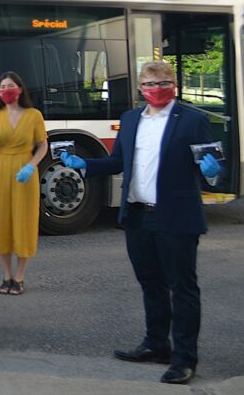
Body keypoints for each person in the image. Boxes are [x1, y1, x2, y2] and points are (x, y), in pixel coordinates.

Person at [61, 61, 219, 385]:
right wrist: (85, 164)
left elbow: (213, 167)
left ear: (174, 85)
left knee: (182, 288)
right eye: (149, 84)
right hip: (136, 215)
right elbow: (118, 161)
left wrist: (213, 171)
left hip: (176, 216)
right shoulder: (131, 119)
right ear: (140, 88)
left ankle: (184, 359)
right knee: (151, 283)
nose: (156, 89)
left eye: (162, 83)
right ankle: (156, 344)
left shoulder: (193, 120)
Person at [0, 71, 47, 296]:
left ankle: (20, 276)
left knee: (24, 220)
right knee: (2, 221)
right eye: (2, 87)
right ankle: (7, 275)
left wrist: (32, 166)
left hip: (24, 170)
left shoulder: (34, 115)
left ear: (19, 89)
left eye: (10, 86)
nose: (6, 90)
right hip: (1, 170)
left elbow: (42, 145)